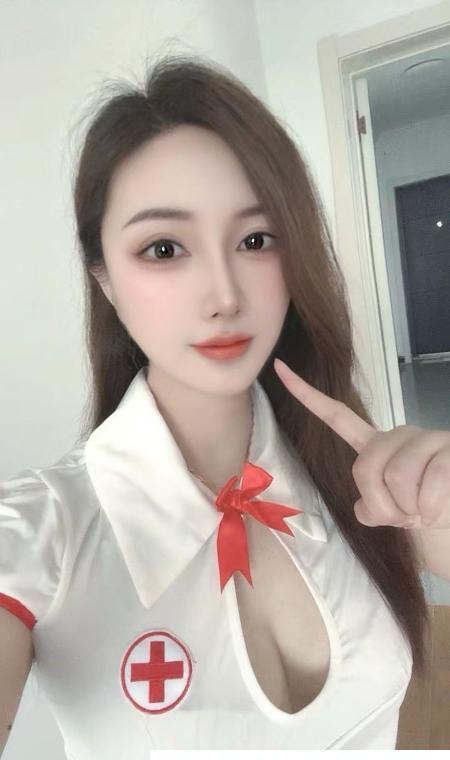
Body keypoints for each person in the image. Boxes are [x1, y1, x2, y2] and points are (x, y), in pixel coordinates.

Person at [0, 52, 433, 755]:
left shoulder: (350, 472)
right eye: (164, 248)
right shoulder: (41, 531)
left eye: (256, 240)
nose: (225, 295)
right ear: (103, 279)